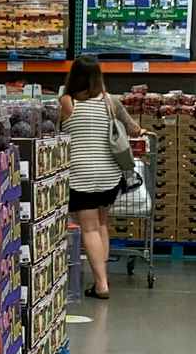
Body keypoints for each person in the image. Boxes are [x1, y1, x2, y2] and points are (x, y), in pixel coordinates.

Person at [57, 57, 139, 300]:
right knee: (102, 224)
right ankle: (102, 276)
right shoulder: (109, 101)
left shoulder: (67, 102)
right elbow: (133, 128)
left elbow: (55, 131)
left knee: (89, 228)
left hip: (80, 173)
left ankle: (101, 284)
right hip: (108, 174)